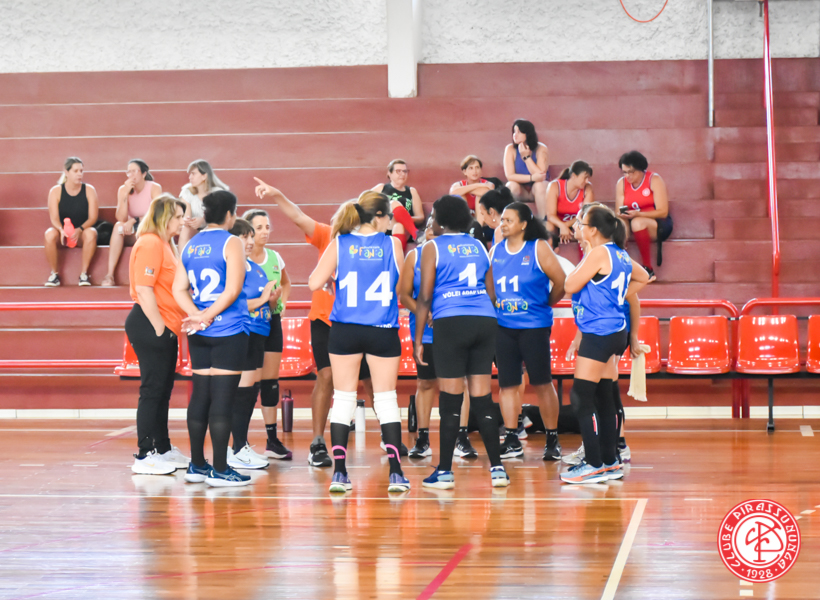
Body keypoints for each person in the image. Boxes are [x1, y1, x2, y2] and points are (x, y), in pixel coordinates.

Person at [252, 178, 374, 468]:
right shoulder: (326, 236)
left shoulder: (370, 244)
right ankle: (318, 442)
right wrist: (277, 194)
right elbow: (297, 215)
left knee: (371, 380)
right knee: (326, 377)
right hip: (325, 320)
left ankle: (388, 436)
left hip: (359, 321)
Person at [308, 191, 410, 494]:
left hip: (345, 329)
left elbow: (314, 282)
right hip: (382, 328)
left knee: (343, 398)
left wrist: (332, 280)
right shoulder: (392, 244)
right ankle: (396, 474)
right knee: (386, 399)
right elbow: (402, 288)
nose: (391, 222)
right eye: (389, 216)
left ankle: (340, 474)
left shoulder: (339, 242)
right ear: (378, 217)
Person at [414, 195, 509, 490]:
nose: (432, 221)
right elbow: (491, 293)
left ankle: (444, 471)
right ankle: (498, 470)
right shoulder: (479, 245)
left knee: (451, 399)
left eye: (434, 217)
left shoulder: (431, 247)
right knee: (482, 397)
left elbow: (425, 297)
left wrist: (418, 339)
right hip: (484, 320)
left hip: (451, 322)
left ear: (441, 222)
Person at [560, 206, 650, 485]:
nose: (578, 226)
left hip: (599, 332)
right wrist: (616, 296)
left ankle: (593, 463)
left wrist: (587, 254)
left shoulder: (598, 253)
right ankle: (611, 461)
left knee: (581, 396)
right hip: (615, 331)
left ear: (594, 230)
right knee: (604, 396)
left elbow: (570, 285)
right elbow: (643, 276)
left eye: (581, 223)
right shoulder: (619, 253)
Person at [173, 190, 251, 488]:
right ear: (230, 214)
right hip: (228, 329)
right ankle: (220, 468)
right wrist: (207, 316)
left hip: (200, 333)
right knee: (223, 400)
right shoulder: (232, 242)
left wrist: (197, 316)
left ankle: (197, 465)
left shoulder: (191, 244)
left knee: (201, 396)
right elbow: (232, 290)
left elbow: (178, 289)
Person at [490, 202, 566, 461]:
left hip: (534, 327)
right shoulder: (496, 250)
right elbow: (490, 290)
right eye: (502, 220)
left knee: (542, 383)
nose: (503, 224)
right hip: (503, 327)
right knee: (508, 385)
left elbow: (561, 282)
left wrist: (545, 304)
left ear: (523, 224)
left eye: (509, 220)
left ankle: (552, 439)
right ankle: (512, 438)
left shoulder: (538, 248)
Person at [126, 194, 190, 475]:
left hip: (165, 325)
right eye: (177, 217)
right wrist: (160, 327)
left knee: (163, 391)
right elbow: (144, 289)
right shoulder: (151, 242)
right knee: (153, 390)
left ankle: (162, 448)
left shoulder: (165, 244)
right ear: (164, 217)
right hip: (151, 323)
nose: (181, 221)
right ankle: (145, 454)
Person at [242, 209, 292, 460]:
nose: (264, 232)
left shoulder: (275, 257)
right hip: (249, 325)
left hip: (271, 321)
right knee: (249, 384)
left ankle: (272, 440)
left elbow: (286, 283)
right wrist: (262, 300)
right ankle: (240, 441)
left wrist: (280, 305)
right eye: (259, 227)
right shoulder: (241, 258)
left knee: (270, 382)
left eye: (267, 227)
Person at [225, 218, 274, 471]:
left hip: (259, 333)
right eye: (245, 237)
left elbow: (263, 301)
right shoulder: (233, 267)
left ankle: (240, 446)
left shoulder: (255, 268)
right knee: (242, 392)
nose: (250, 241)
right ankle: (236, 448)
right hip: (242, 331)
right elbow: (235, 301)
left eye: (251, 236)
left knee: (251, 390)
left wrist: (271, 299)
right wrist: (263, 298)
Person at [102, 159, 162, 286]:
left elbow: (157, 213)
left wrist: (134, 219)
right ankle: (110, 274)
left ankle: (145, 276)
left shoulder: (154, 188)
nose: (131, 175)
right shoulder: (123, 190)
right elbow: (121, 218)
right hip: (131, 229)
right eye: (128, 172)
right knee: (117, 227)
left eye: (134, 171)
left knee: (147, 232)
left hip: (149, 227)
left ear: (143, 173)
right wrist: (124, 195)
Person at [615, 151, 672, 280]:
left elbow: (663, 211)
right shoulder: (621, 183)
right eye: (624, 172)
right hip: (632, 220)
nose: (627, 176)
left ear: (641, 169)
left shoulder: (654, 180)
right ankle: (619, 266)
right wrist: (623, 220)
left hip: (657, 223)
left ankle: (648, 269)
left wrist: (639, 214)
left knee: (638, 222)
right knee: (618, 225)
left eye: (631, 172)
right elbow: (619, 211)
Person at [44, 157, 99, 287]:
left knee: (91, 233)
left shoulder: (89, 190)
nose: (79, 174)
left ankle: (84, 274)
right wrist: (61, 230)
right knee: (49, 234)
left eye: (81, 171)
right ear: (66, 172)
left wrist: (80, 230)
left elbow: (93, 217)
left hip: (81, 232)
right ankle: (54, 274)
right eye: (75, 171)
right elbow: (54, 218)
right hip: (63, 234)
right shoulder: (55, 191)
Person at [503, 119, 549, 219]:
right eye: (514, 132)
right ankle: (511, 219)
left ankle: (544, 222)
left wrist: (527, 157)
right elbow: (510, 176)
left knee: (540, 185)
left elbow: (541, 175)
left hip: (537, 190)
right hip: (521, 190)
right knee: (510, 186)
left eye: (519, 132)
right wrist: (532, 178)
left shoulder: (541, 148)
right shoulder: (510, 149)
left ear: (527, 134)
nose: (515, 135)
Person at [179, 160, 229, 249]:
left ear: (204, 176)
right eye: (190, 174)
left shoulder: (217, 192)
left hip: (215, 227)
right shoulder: (187, 191)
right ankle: (182, 254)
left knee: (212, 227)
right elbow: (186, 215)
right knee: (186, 227)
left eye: (193, 174)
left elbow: (220, 217)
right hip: (194, 229)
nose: (190, 177)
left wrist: (203, 220)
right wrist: (189, 221)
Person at [546, 161, 594, 246]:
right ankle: (551, 250)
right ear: (574, 176)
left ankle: (586, 252)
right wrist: (562, 226)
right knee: (548, 227)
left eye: (588, 178)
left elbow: (585, 214)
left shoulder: (587, 189)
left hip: (576, 222)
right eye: (585, 178)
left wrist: (566, 225)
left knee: (588, 227)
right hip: (557, 222)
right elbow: (550, 215)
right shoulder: (555, 186)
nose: (587, 181)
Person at [372, 159, 424, 226]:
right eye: (398, 171)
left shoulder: (412, 191)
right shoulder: (380, 188)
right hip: (383, 226)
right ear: (389, 173)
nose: (402, 174)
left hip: (403, 227)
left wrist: (404, 219)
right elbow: (363, 203)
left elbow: (420, 217)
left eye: (405, 171)